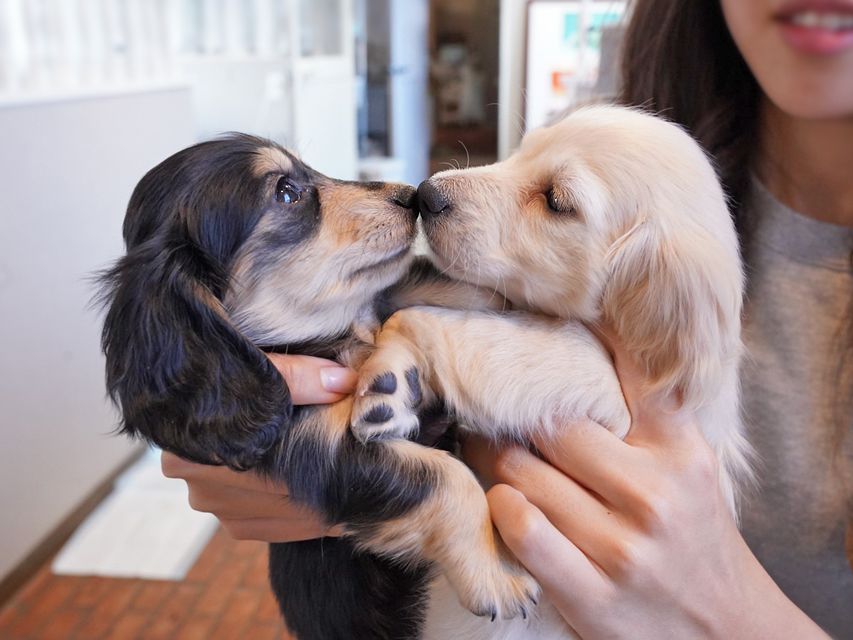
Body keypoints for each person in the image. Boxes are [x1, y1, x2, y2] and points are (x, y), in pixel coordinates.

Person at [161, 0, 852, 636]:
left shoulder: (668, 261)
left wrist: (728, 610)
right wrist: (253, 414)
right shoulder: (644, 125)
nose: (444, 187)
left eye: (552, 199)